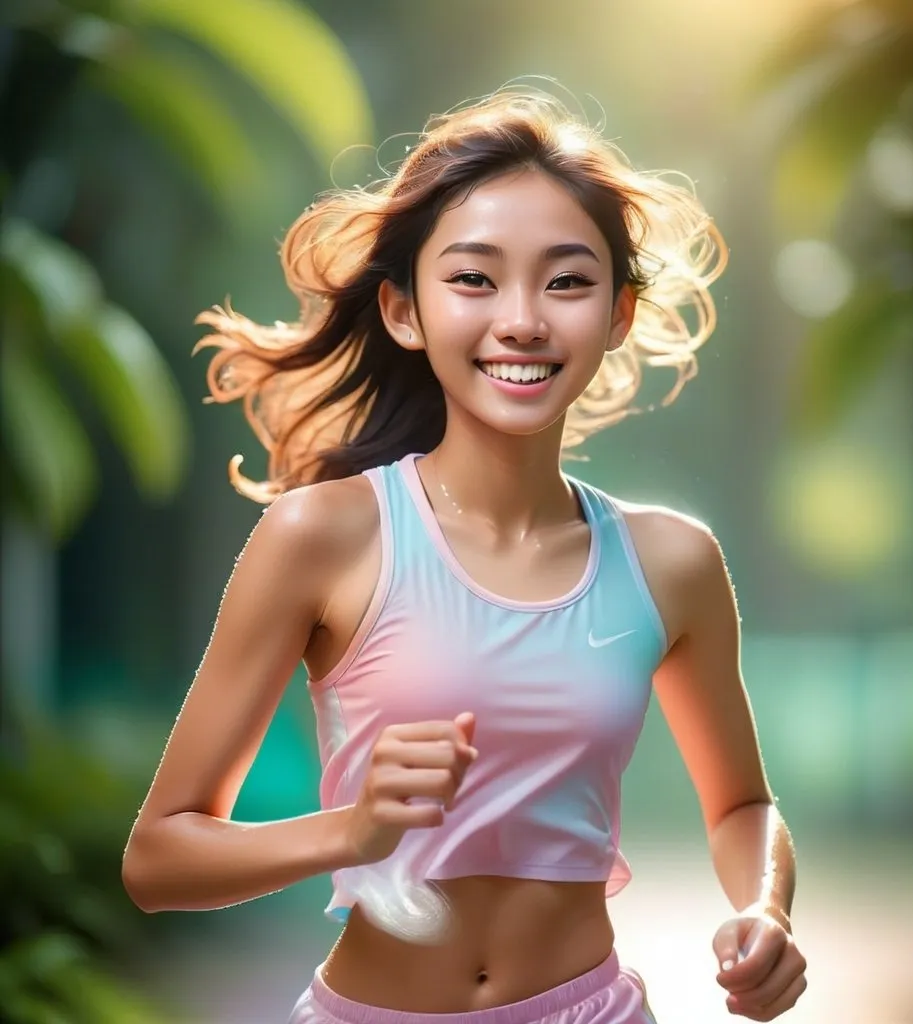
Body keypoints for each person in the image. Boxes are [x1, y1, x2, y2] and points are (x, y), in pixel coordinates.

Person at [122, 88, 808, 1024]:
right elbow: (158, 861)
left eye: (567, 281)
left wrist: (764, 909)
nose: (522, 320)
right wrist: (352, 831)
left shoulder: (672, 562)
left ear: (618, 313)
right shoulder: (322, 537)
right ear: (405, 311)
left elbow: (741, 809)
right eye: (474, 280)